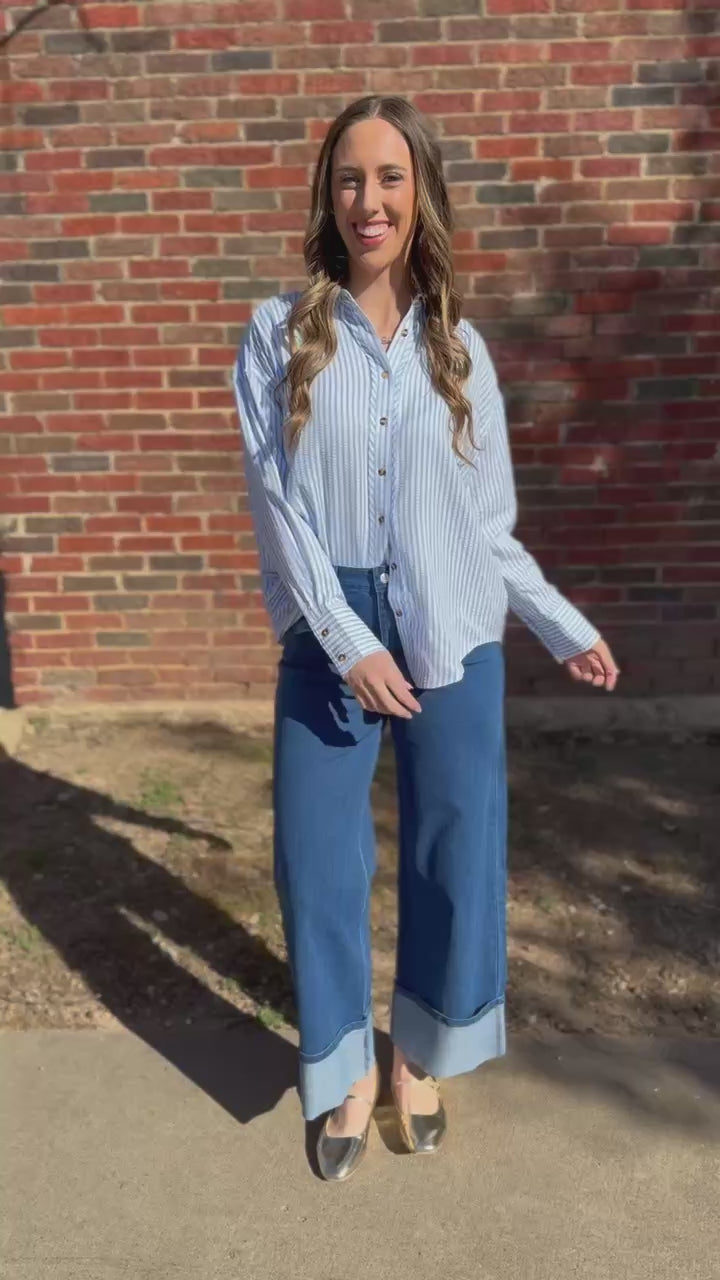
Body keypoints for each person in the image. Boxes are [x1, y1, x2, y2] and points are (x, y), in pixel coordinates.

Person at [233, 94, 620, 1182]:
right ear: (328, 196)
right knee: (317, 857)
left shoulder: (461, 349)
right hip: (328, 623)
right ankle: (346, 1066)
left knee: (459, 842)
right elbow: (279, 509)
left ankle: (421, 1053)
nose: (370, 199)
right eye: (351, 179)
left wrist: (557, 622)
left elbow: (485, 526)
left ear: (421, 195)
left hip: (454, 619)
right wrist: (348, 635)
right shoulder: (276, 335)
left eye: (391, 178)